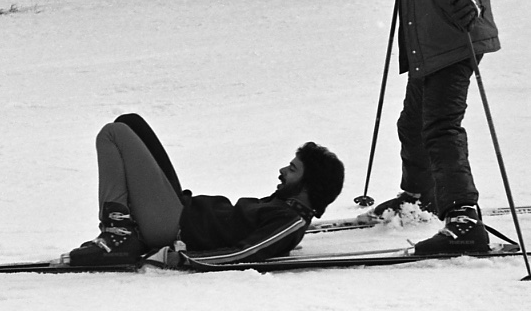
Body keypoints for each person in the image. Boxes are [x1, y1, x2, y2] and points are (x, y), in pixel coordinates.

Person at [362, 0, 500, 255]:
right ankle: (419, 197)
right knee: (412, 125)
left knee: (440, 127)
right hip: (430, 46)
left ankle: (464, 219)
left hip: (454, 41)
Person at [66, 114, 345, 267]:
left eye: (293, 170)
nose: (282, 171)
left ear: (308, 187)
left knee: (112, 133)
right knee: (130, 122)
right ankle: (129, 231)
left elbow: (244, 254)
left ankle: (119, 233)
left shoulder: (290, 221)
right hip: (178, 209)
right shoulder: (285, 206)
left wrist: (184, 258)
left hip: (172, 224)